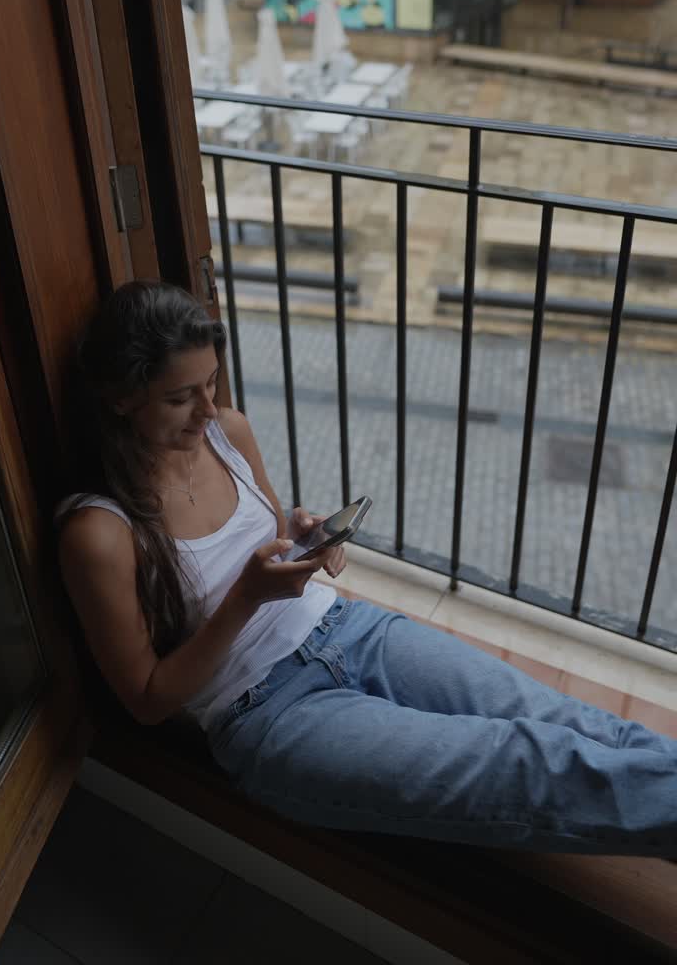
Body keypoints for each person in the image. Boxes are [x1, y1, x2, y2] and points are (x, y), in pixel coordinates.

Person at [57, 280, 677, 855]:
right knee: (527, 761)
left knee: (570, 720)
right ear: (121, 399)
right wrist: (247, 596)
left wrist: (304, 541)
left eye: (211, 383)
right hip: (268, 714)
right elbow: (146, 701)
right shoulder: (100, 532)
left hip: (348, 630)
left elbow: (269, 539)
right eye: (178, 397)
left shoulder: (228, 433)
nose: (205, 408)